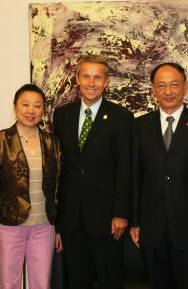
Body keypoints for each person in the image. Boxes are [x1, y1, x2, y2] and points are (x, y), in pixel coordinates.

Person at [130, 63, 188, 289]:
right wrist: (135, 221)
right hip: (151, 227)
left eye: (174, 85)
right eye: (161, 85)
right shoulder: (139, 126)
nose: (168, 91)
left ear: (185, 86)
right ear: (153, 89)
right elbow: (135, 178)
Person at [53, 54, 133, 289]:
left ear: (106, 82)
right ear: (77, 79)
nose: (91, 83)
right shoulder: (62, 115)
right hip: (71, 219)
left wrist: (121, 213)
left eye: (97, 77)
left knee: (110, 279)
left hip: (107, 218)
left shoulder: (121, 117)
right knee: (77, 281)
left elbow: (125, 168)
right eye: (86, 76)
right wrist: (57, 221)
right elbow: (58, 168)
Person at [0, 84, 62, 289]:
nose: (31, 111)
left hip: (45, 227)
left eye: (37, 106)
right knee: (9, 283)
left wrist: (59, 228)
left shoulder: (52, 142)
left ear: (43, 110)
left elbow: (58, 188)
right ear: (15, 107)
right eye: (25, 104)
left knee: (42, 284)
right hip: (9, 226)